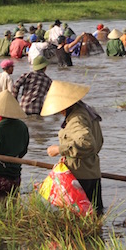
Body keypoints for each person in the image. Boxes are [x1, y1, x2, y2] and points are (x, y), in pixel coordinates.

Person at [43, 81, 104, 214]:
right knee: (93, 216)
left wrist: (59, 149)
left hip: (80, 176)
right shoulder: (86, 111)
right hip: (91, 171)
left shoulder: (77, 118)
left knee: (78, 219)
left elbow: (87, 143)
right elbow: (96, 143)